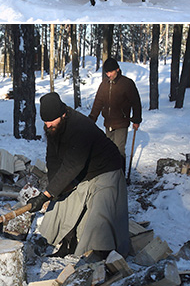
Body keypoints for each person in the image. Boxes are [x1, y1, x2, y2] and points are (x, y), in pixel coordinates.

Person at [33, 92, 129, 258]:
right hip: (85, 169)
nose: (48, 125)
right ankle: (68, 243)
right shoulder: (54, 128)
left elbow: (72, 164)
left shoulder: (80, 127)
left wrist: (46, 195)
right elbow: (53, 158)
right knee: (63, 202)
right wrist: (55, 188)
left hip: (106, 168)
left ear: (63, 114)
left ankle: (100, 252)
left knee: (100, 212)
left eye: (51, 121)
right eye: (45, 121)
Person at [89, 56, 142, 165]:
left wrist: (136, 120)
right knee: (109, 151)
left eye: (111, 72)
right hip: (108, 123)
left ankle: (120, 178)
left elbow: (136, 102)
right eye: (107, 72)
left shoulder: (127, 83)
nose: (109, 75)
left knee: (119, 151)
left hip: (121, 123)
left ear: (117, 69)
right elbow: (98, 102)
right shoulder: (104, 84)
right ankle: (111, 178)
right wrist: (92, 118)